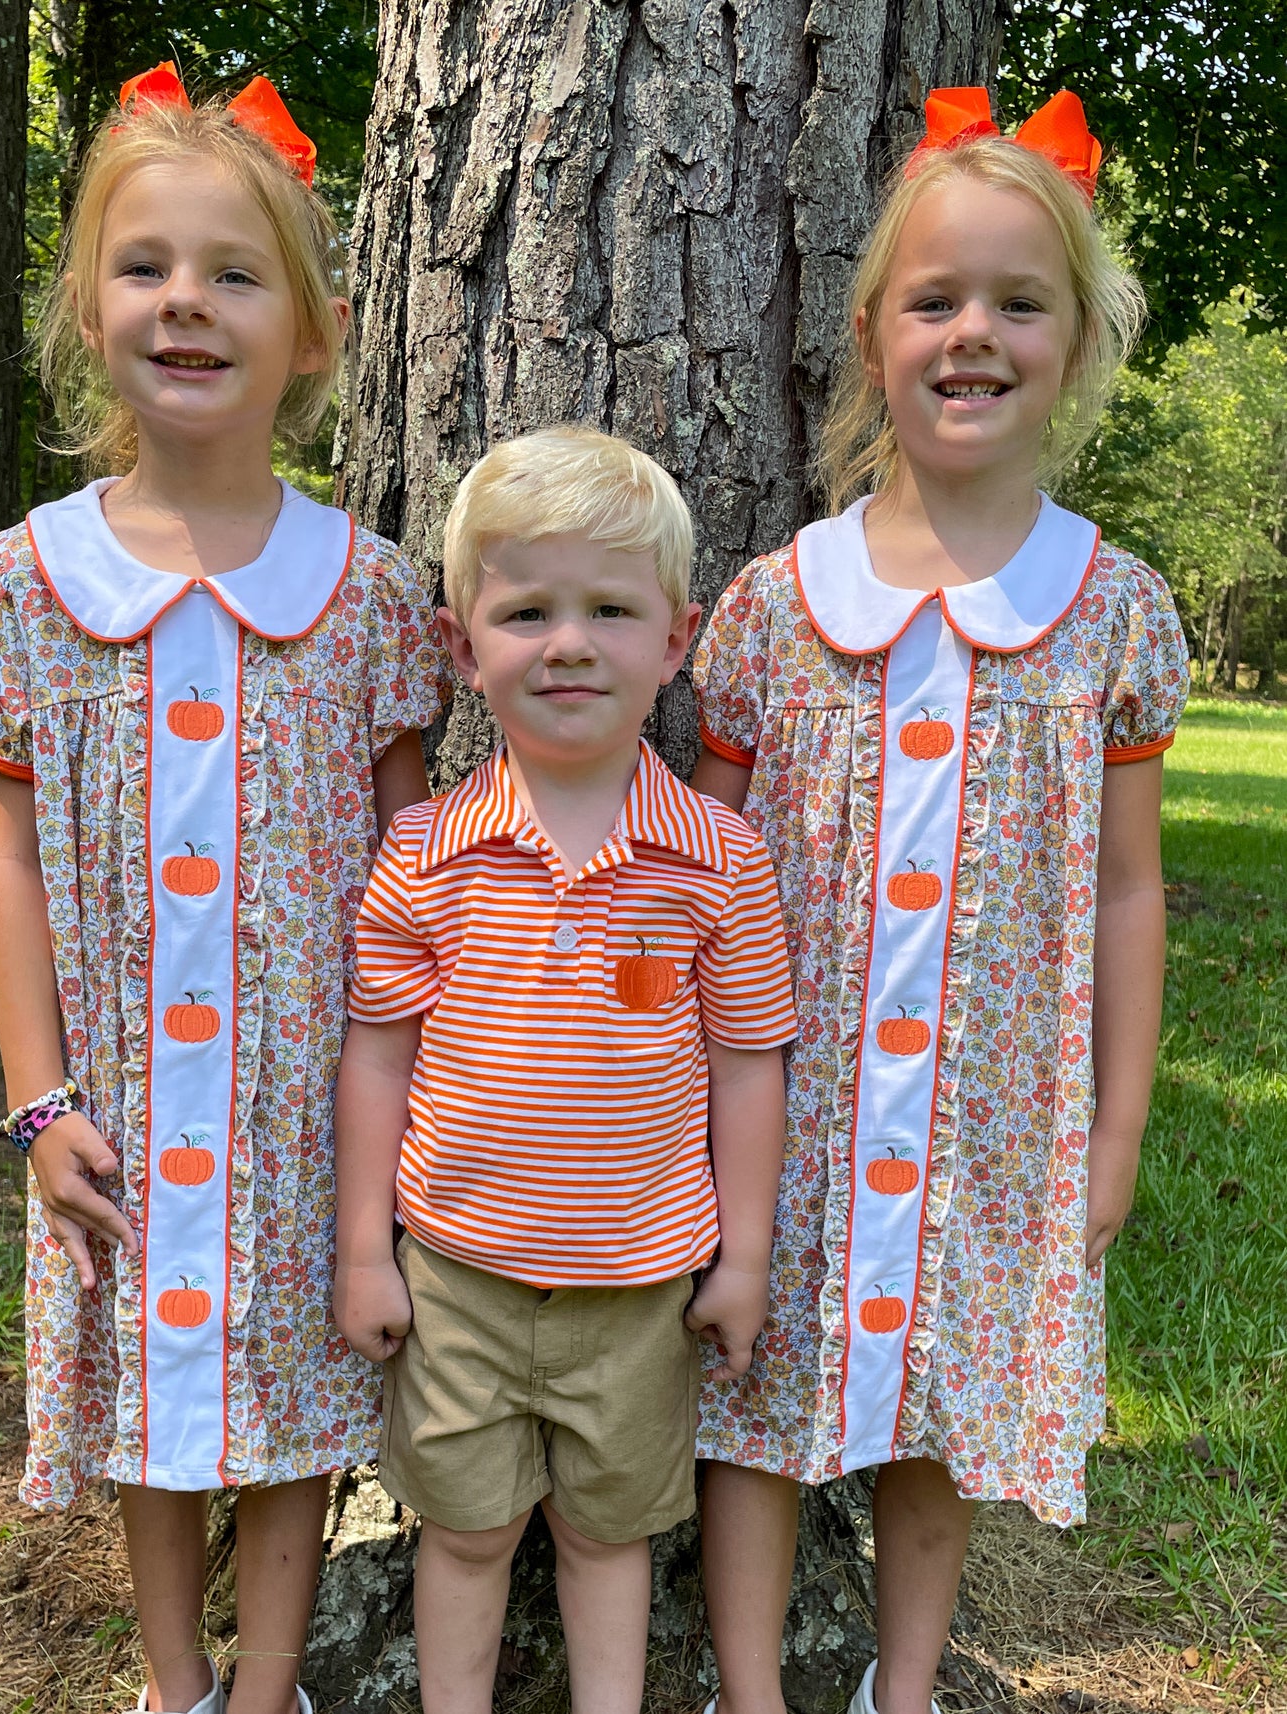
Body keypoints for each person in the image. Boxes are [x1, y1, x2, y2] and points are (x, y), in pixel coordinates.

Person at [0, 62, 453, 1714]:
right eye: (146, 267)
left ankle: (269, 1689)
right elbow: (12, 851)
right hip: (112, 1106)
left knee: (294, 1404)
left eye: (234, 273)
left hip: (306, 1106)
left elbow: (406, 877)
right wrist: (39, 1100)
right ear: (89, 310)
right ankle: (174, 1685)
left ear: (307, 330)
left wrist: (402, 1111)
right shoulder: (31, 581)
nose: (187, 303)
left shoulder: (369, 592)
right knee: (147, 1401)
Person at [689, 89, 1190, 1714]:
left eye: (1016, 301)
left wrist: (1109, 1125)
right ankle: (754, 1689)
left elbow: (1125, 887)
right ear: (871, 332)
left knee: (937, 1408)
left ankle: (901, 1688)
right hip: (797, 1100)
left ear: (1079, 338)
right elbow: (712, 868)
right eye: (934, 299)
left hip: (991, 1109)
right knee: (752, 1402)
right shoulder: (779, 608)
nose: (972, 332)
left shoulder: (1109, 609)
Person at [332, 426, 797, 1714]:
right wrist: (366, 1251)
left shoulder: (717, 859)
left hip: (641, 1289)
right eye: (526, 610)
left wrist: (744, 1260)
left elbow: (749, 1066)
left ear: (678, 635)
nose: (570, 642)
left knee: (609, 1536)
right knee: (467, 1533)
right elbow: (379, 1053)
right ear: (460, 645)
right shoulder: (425, 852)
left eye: (609, 608)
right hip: (457, 1279)